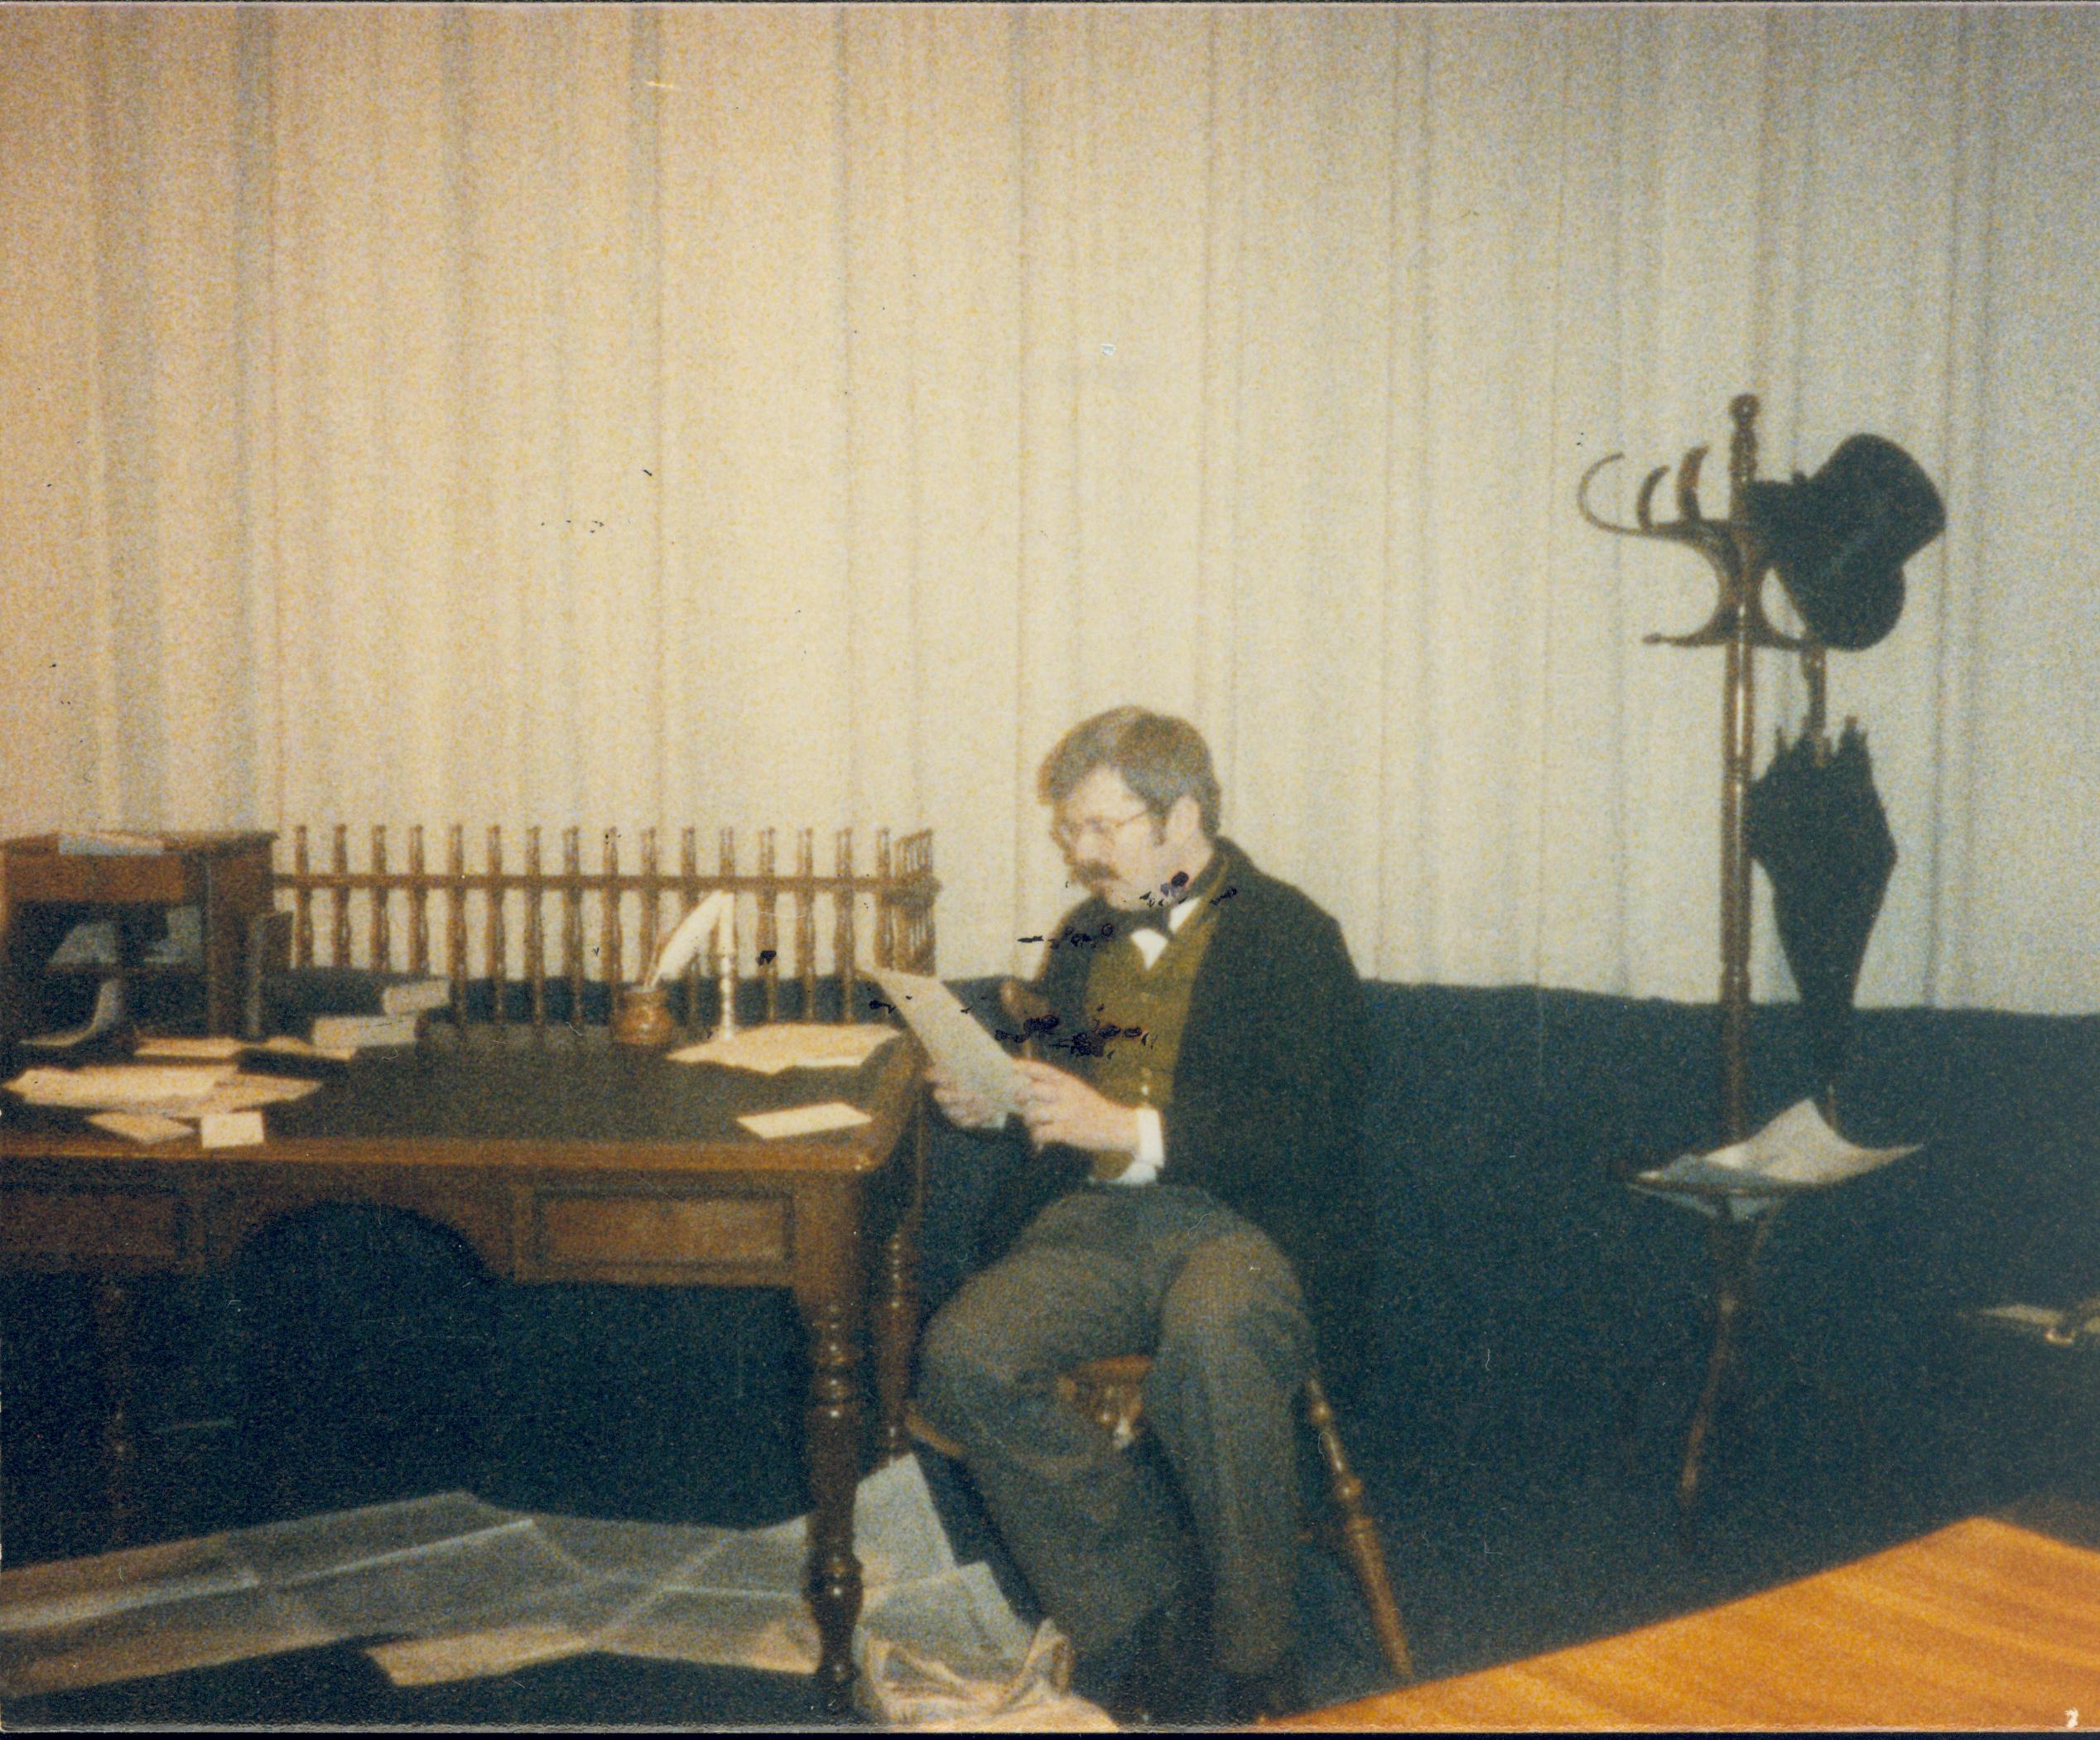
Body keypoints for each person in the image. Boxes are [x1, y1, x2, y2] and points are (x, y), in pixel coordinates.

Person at [913, 706, 1373, 1725]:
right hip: (1099, 1221)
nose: (1079, 856)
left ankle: (1258, 1652)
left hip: (1242, 1223)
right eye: (1071, 831)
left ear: (1183, 816)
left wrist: (1129, 1123)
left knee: (1217, 1333)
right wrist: (999, 1100)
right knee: (964, 1352)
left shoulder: (1291, 934)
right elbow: (1065, 1080)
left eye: (1100, 829)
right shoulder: (1084, 932)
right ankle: (1154, 1599)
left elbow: (1311, 1128)